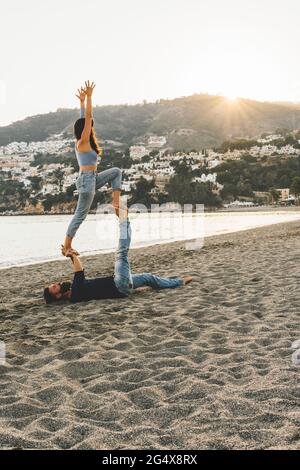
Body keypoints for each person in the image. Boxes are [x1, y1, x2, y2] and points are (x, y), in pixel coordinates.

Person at [44, 214, 193, 304]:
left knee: (148, 277)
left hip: (122, 287)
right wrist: (71, 254)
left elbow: (78, 271)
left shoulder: (76, 291)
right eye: (55, 287)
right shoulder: (75, 293)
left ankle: (179, 282)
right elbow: (79, 271)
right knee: (121, 253)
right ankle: (124, 220)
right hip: (119, 284)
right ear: (57, 296)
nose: (57, 283)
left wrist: (72, 255)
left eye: (55, 284)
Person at [63, 80, 122, 254]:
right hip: (86, 181)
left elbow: (84, 119)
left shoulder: (85, 142)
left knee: (116, 172)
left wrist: (81, 102)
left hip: (92, 178)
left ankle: (116, 204)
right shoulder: (81, 142)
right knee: (80, 215)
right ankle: (67, 246)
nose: (90, 128)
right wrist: (90, 97)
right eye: (88, 128)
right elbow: (88, 119)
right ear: (84, 131)